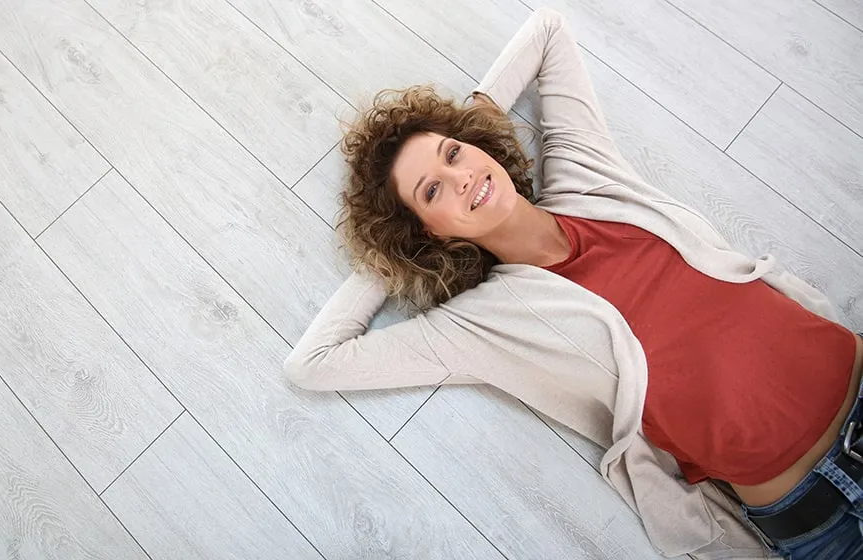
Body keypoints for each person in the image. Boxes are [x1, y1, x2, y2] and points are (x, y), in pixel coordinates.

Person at [283, 8, 863, 559]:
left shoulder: (586, 175)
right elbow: (313, 363)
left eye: (454, 153)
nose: (460, 178)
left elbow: (549, 30)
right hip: (824, 514)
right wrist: (391, 258)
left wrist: (475, 121)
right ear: (427, 233)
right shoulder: (485, 322)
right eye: (431, 191)